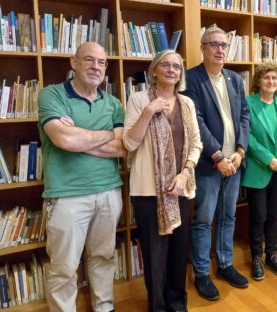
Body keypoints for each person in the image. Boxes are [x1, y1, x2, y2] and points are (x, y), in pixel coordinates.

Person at [38, 42, 126, 312]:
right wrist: (107, 135)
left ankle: (104, 307)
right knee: (64, 266)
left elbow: (122, 148)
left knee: (104, 256)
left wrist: (81, 137)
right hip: (66, 195)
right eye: (88, 60)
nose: (95, 67)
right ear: (73, 62)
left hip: (110, 192)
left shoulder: (113, 103)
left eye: (101, 62)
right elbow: (63, 138)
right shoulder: (52, 95)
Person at [122, 50, 202, 312]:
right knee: (156, 256)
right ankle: (157, 307)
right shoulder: (138, 99)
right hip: (148, 192)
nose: (171, 70)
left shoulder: (187, 103)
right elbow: (129, 142)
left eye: (177, 67)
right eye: (165, 65)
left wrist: (185, 173)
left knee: (179, 253)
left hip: (181, 189)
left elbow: (196, 144)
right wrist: (148, 111)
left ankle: (178, 305)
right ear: (154, 70)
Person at [184, 26, 250, 301]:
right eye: (214, 44)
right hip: (208, 165)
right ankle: (201, 273)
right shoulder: (191, 79)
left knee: (228, 216)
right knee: (203, 219)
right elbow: (195, 121)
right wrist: (217, 157)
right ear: (203, 48)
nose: (220, 49)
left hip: (233, 162)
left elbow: (245, 115)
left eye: (224, 45)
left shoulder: (235, 79)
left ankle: (224, 265)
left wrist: (240, 150)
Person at [241, 63, 277, 281]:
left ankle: (272, 255)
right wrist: (268, 159)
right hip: (258, 168)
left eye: (274, 78)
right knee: (258, 215)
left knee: (274, 214)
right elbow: (247, 136)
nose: (271, 82)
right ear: (258, 81)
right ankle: (256, 257)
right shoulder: (248, 103)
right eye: (266, 78)